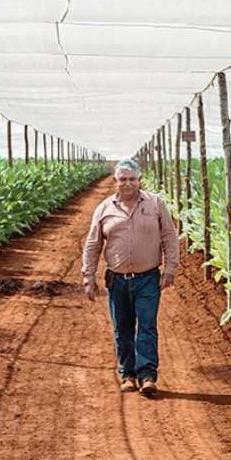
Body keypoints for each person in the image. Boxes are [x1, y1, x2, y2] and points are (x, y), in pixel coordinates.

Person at [81, 159, 179, 395]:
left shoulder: (155, 204)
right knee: (122, 329)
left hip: (148, 278)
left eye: (132, 179)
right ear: (115, 182)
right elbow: (93, 244)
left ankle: (147, 375)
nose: (127, 183)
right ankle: (128, 374)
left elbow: (169, 236)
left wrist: (170, 269)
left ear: (139, 181)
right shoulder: (104, 209)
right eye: (122, 179)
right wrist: (88, 277)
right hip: (117, 280)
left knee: (146, 326)